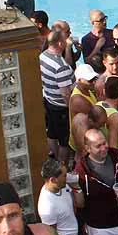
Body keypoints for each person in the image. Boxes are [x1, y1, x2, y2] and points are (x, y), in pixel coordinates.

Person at [74, 129, 118, 235]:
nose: (103, 148)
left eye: (104, 143)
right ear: (88, 148)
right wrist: (76, 188)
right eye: (98, 146)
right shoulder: (81, 171)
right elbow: (80, 204)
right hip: (101, 231)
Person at [40, 29, 74, 163]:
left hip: (49, 101)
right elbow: (65, 93)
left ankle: (54, 159)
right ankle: (63, 165)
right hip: (61, 108)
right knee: (65, 141)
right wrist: (72, 109)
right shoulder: (61, 67)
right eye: (65, 40)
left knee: (52, 134)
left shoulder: (43, 56)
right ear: (60, 43)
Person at [37, 157, 83, 235]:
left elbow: (80, 204)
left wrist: (76, 187)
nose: (68, 177)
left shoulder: (63, 186)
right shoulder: (47, 207)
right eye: (64, 175)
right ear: (53, 180)